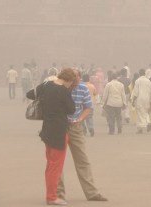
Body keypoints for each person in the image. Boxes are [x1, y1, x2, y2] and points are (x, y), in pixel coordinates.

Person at [27, 68, 76, 205]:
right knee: (56, 166)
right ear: (69, 80)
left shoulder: (47, 85)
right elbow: (71, 109)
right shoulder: (64, 91)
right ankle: (52, 197)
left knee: (50, 164)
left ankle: (51, 194)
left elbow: (30, 94)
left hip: (47, 130)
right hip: (59, 131)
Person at [57, 71, 108, 202]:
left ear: (79, 79)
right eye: (72, 81)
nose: (74, 84)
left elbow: (87, 107)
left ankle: (92, 193)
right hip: (60, 127)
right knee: (58, 162)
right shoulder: (60, 87)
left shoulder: (83, 88)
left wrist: (80, 119)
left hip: (75, 127)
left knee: (83, 161)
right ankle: (58, 194)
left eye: (76, 81)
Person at [132, 69, 151, 133]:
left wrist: (133, 100)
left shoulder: (137, 81)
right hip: (147, 98)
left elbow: (136, 92)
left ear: (139, 73)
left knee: (140, 113)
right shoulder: (148, 81)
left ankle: (140, 128)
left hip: (140, 98)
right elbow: (150, 91)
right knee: (146, 112)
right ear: (144, 73)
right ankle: (148, 122)